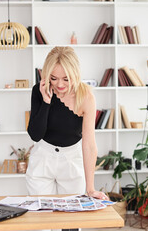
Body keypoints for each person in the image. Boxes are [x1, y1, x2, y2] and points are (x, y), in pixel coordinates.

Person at [26, 46, 108, 201]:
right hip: (43, 157)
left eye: (66, 79)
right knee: (41, 219)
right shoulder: (40, 90)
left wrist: (90, 189)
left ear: (75, 74)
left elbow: (89, 145)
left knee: (72, 218)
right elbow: (35, 135)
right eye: (53, 78)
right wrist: (46, 101)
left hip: (72, 159)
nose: (59, 85)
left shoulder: (86, 97)